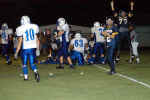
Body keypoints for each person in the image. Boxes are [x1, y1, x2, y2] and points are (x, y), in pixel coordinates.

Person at [15, 16, 40, 82]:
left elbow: (20, 42)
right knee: (32, 64)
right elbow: (37, 40)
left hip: (25, 49)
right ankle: (36, 72)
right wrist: (37, 49)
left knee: (24, 64)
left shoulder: (20, 29)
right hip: (32, 48)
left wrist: (17, 52)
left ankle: (26, 77)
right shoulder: (34, 27)